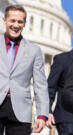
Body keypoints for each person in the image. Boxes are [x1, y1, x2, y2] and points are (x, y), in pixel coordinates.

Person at [0, 5, 49, 135]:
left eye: (20, 21)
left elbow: (40, 85)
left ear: (25, 24)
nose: (16, 25)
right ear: (5, 20)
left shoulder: (34, 51)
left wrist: (42, 115)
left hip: (21, 110)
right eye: (12, 20)